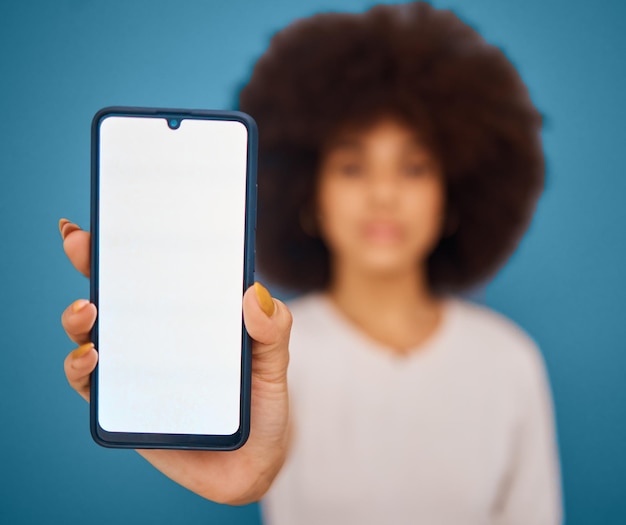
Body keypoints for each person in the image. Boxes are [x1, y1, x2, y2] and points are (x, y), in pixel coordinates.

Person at [59, 2, 562, 523]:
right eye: (352, 166)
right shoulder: (262, 357)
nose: (383, 193)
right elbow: (256, 467)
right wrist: (243, 472)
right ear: (308, 193)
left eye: (413, 168)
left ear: (453, 193)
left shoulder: (509, 361)